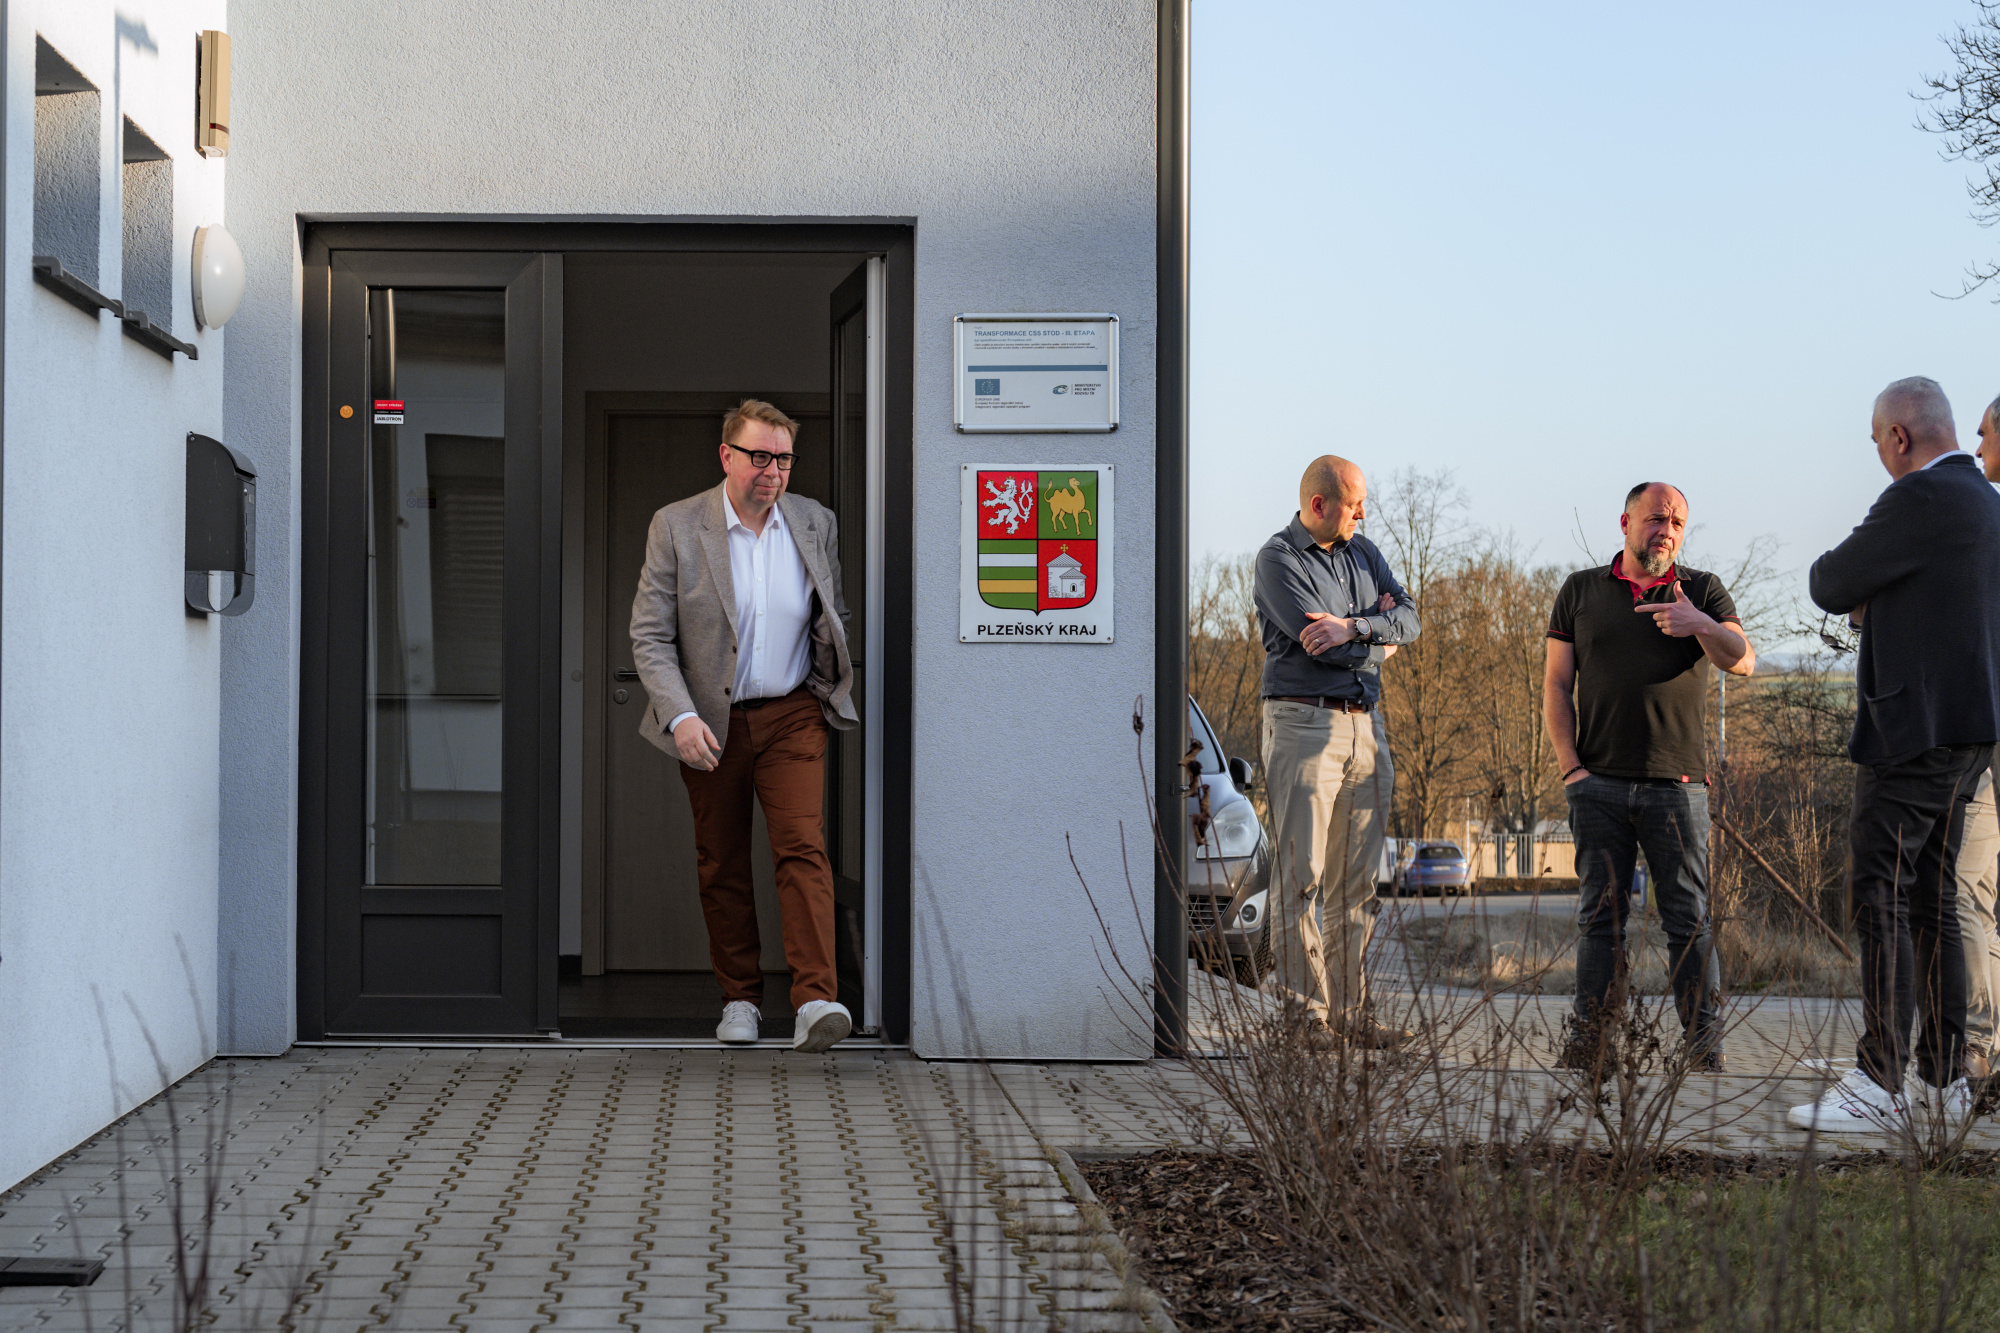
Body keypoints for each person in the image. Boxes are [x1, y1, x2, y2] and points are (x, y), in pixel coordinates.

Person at [1789, 377, 2000, 1133]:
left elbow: (1830, 579)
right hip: (1973, 734)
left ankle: (1878, 1080)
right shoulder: (1988, 505)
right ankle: (1943, 1079)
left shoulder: (1920, 496)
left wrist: (1868, 594)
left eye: (1879, 441)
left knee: (1879, 889)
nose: (1880, 455)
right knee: (1935, 900)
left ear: (1900, 437)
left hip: (1912, 731)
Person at [629, 399, 860, 1052]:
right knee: (722, 858)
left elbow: (832, 611)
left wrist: (827, 685)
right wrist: (679, 716)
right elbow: (650, 635)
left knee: (802, 847)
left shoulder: (814, 521)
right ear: (726, 455)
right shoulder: (677, 525)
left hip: (792, 714)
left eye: (783, 458)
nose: (773, 470)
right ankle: (740, 999)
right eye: (759, 456)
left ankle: (816, 999)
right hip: (709, 720)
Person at [1544, 483, 1754, 1074]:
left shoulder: (1702, 590)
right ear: (1626, 522)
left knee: (1688, 921)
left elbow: (1743, 659)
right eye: (1657, 519)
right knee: (1599, 922)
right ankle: (1590, 1048)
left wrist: (1699, 623)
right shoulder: (1581, 590)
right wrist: (1571, 768)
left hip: (1677, 786)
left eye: (1678, 523)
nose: (1667, 531)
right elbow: (1556, 685)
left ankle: (1704, 1053)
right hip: (1597, 786)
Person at [1254, 456, 1420, 1047]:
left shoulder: (1364, 553)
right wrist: (1378, 638)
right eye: (1354, 504)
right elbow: (1318, 648)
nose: (1363, 514)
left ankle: (1350, 1015)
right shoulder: (1278, 559)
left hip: (1366, 729)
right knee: (1300, 878)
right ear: (1319, 504)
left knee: (1357, 885)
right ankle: (1303, 1018)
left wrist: (1354, 629)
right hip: (1302, 724)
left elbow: (1411, 620)